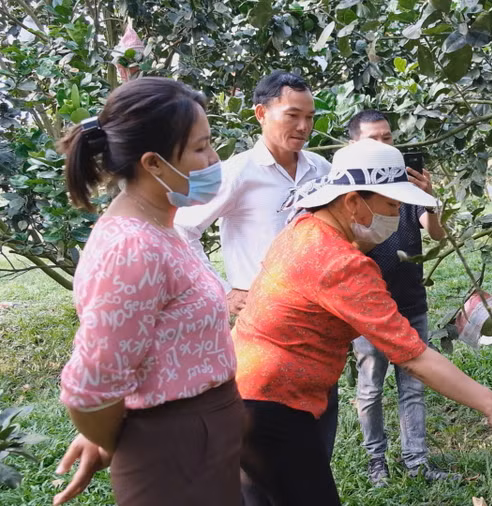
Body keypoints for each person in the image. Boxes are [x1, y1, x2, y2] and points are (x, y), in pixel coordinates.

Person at [234, 139, 492, 505]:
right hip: (273, 404)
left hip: (242, 393)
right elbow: (413, 356)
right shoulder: (341, 264)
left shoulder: (302, 228)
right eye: (391, 204)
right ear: (353, 201)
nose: (398, 212)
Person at [53, 77, 242, 506]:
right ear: (154, 163)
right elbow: (90, 390)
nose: (214, 160)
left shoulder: (161, 227)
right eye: (201, 148)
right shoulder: (130, 248)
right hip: (174, 456)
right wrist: (114, 438)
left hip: (200, 442)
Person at [172, 71, 340, 458]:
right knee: (266, 433)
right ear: (261, 113)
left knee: (319, 416)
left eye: (310, 118)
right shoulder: (235, 172)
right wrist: (224, 291)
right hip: (264, 326)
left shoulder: (322, 171)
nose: (303, 127)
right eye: (293, 115)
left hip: (317, 318)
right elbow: (182, 229)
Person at [344, 110, 449, 486]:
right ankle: (377, 461)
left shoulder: (408, 190)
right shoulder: (349, 195)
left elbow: (436, 234)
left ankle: (417, 461)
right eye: (375, 139)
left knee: (414, 385)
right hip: (368, 308)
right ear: (354, 145)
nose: (385, 146)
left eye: (388, 138)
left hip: (410, 301)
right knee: (370, 387)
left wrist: (430, 199)